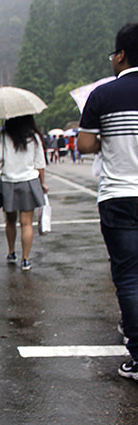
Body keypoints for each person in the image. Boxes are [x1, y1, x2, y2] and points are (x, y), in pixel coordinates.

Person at [78, 22, 138, 381]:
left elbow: (85, 144)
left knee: (130, 277)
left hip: (118, 196)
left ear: (121, 55)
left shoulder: (103, 95)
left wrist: (109, 140)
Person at [0, 114, 49, 271]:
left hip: (9, 182)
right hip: (28, 182)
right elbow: (40, 163)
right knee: (26, 223)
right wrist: (43, 183)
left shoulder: (4, 136)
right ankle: (25, 259)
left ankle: (11, 253)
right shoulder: (34, 137)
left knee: (10, 220)